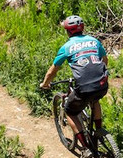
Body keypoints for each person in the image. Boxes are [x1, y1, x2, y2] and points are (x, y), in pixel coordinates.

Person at [39, 15, 109, 150]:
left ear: (68, 31)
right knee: (95, 100)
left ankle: (85, 148)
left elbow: (52, 71)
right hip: (102, 84)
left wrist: (45, 83)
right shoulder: (94, 41)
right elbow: (104, 60)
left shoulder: (66, 47)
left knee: (70, 111)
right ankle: (99, 130)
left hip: (84, 87)